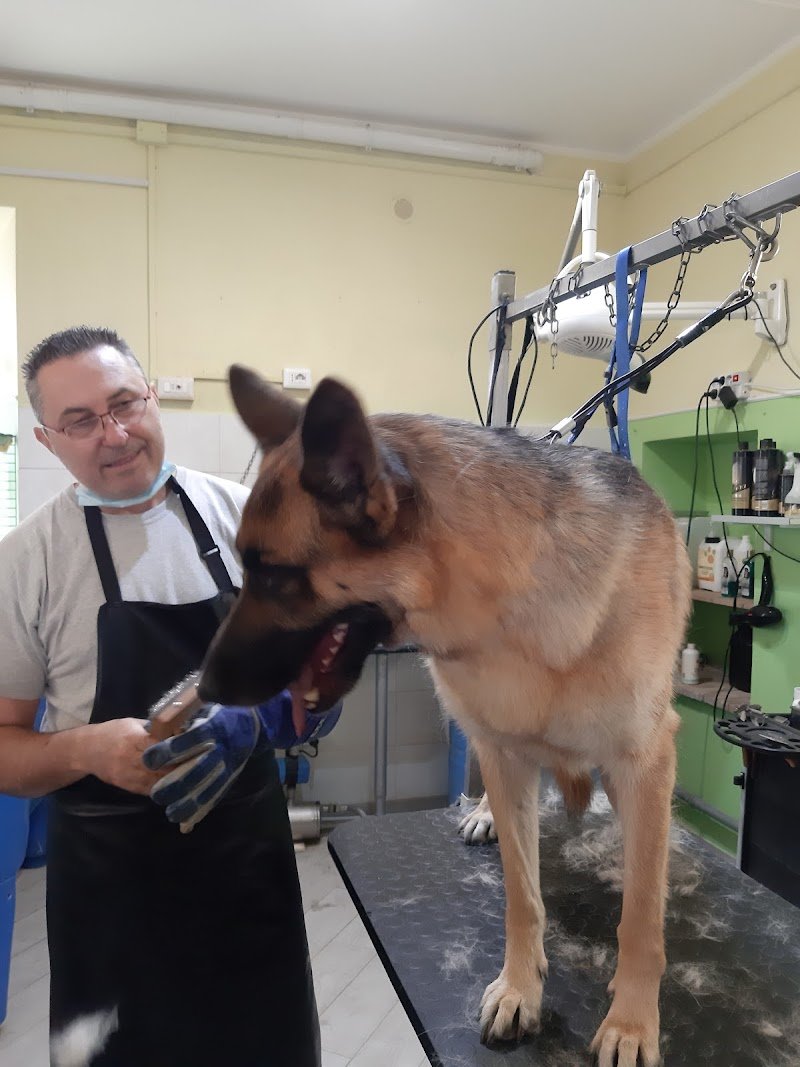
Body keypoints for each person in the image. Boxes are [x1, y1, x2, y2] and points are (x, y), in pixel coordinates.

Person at [0, 326, 321, 1067]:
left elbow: (313, 679)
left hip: (249, 866)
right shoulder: (26, 564)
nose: (113, 433)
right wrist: (83, 748)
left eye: (124, 403)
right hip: (112, 889)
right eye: (81, 420)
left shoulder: (247, 519)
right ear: (49, 441)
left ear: (152, 399)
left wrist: (274, 711)